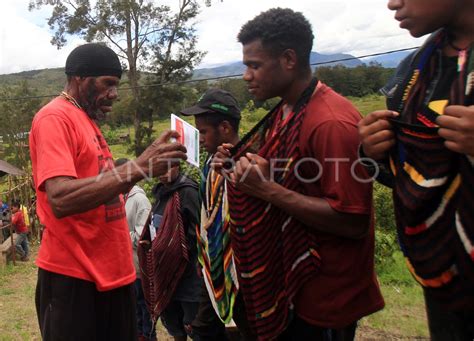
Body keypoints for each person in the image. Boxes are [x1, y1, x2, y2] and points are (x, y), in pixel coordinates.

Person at [213, 8, 384, 340]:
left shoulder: (330, 122)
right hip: (297, 291)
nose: (247, 75)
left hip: (326, 297)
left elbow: (352, 221)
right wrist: (244, 162)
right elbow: (293, 172)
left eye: (254, 65)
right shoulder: (288, 109)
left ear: (289, 59)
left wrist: (267, 190)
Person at [29, 43, 187, 341]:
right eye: (108, 84)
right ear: (80, 78)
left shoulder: (86, 120)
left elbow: (107, 183)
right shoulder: (55, 118)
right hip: (75, 275)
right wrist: (138, 168)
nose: (114, 93)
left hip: (114, 274)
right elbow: (59, 197)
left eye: (117, 85)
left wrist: (148, 159)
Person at [358, 1, 474, 339]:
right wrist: (373, 152)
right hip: (442, 279)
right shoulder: (414, 72)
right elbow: (411, 175)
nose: (393, 3)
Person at [180, 88, 250, 340]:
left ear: (225, 128)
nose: (199, 139)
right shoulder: (211, 164)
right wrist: (204, 257)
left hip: (242, 271)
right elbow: (207, 213)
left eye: (203, 132)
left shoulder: (248, 166)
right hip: (213, 264)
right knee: (205, 328)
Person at [139, 164, 201, 341]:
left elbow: (196, 232)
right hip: (165, 274)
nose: (163, 173)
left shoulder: (188, 192)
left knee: (194, 326)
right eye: (159, 169)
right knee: (174, 325)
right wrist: (150, 243)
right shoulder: (160, 194)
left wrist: (171, 249)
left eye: (167, 168)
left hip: (188, 275)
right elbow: (155, 226)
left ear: (177, 167)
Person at [115, 158, 154, 341]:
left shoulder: (140, 200)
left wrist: (119, 235)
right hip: (128, 267)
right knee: (135, 310)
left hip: (140, 268)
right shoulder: (123, 198)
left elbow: (143, 235)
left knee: (145, 309)